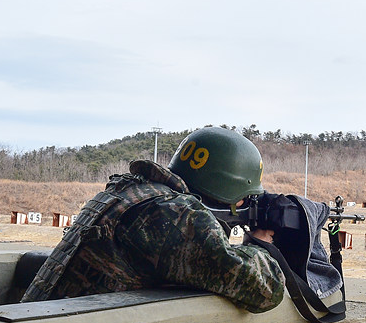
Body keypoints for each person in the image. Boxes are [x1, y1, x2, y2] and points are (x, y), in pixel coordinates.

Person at [21, 127, 289, 313]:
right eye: (243, 199)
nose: (243, 205)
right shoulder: (174, 214)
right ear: (224, 191)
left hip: (39, 319)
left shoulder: (133, 191)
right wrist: (259, 245)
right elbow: (267, 290)